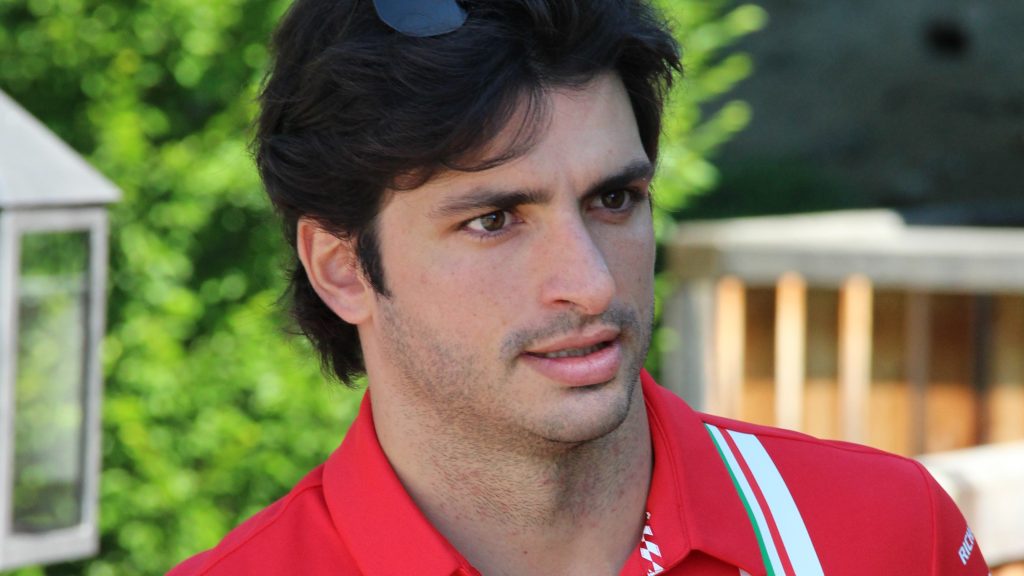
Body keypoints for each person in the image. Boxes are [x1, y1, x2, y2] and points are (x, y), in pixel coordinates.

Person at [169, 0, 992, 574]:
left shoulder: (882, 535)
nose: (591, 284)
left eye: (613, 200)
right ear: (342, 268)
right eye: (495, 219)